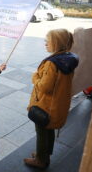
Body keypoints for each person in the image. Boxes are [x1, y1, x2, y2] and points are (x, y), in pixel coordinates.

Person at [24, 29, 79, 169]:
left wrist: (35, 76)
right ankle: (45, 154)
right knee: (49, 130)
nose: (45, 43)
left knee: (42, 131)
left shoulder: (51, 63)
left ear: (56, 43)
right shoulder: (68, 59)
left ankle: (41, 160)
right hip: (57, 105)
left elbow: (44, 87)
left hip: (45, 105)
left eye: (47, 41)